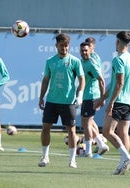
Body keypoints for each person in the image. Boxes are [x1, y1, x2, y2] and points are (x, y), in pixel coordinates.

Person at [38, 33, 85, 168]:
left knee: (71, 131)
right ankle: (45, 156)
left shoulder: (75, 61)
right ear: (56, 45)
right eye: (61, 45)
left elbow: (82, 79)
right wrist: (41, 97)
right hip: (52, 101)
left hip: (68, 102)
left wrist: (80, 95)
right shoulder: (50, 61)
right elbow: (46, 80)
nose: (64, 48)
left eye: (66, 46)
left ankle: (72, 159)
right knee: (45, 128)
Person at [94, 31, 130, 175]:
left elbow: (119, 83)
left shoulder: (118, 59)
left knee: (107, 131)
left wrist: (110, 102)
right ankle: (124, 163)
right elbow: (114, 84)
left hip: (119, 101)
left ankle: (126, 157)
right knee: (123, 132)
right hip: (129, 102)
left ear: (118, 42)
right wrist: (102, 98)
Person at [79, 42, 109, 157]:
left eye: (86, 50)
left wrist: (102, 98)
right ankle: (101, 144)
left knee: (86, 123)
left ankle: (88, 151)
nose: (84, 53)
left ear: (91, 51)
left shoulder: (91, 64)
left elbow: (101, 80)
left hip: (91, 96)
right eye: (82, 51)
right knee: (87, 122)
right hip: (86, 96)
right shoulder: (82, 62)